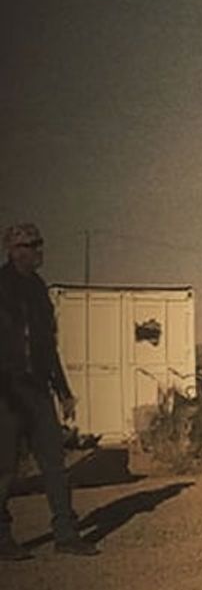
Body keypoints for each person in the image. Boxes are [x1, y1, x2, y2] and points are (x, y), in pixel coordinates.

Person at [1, 222, 97, 559]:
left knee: (55, 464)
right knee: (5, 468)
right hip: (6, 390)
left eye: (39, 244)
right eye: (32, 245)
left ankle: (66, 535)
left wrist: (64, 391)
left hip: (38, 389)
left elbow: (48, 347)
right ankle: (2, 539)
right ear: (14, 250)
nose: (39, 251)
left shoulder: (39, 289)